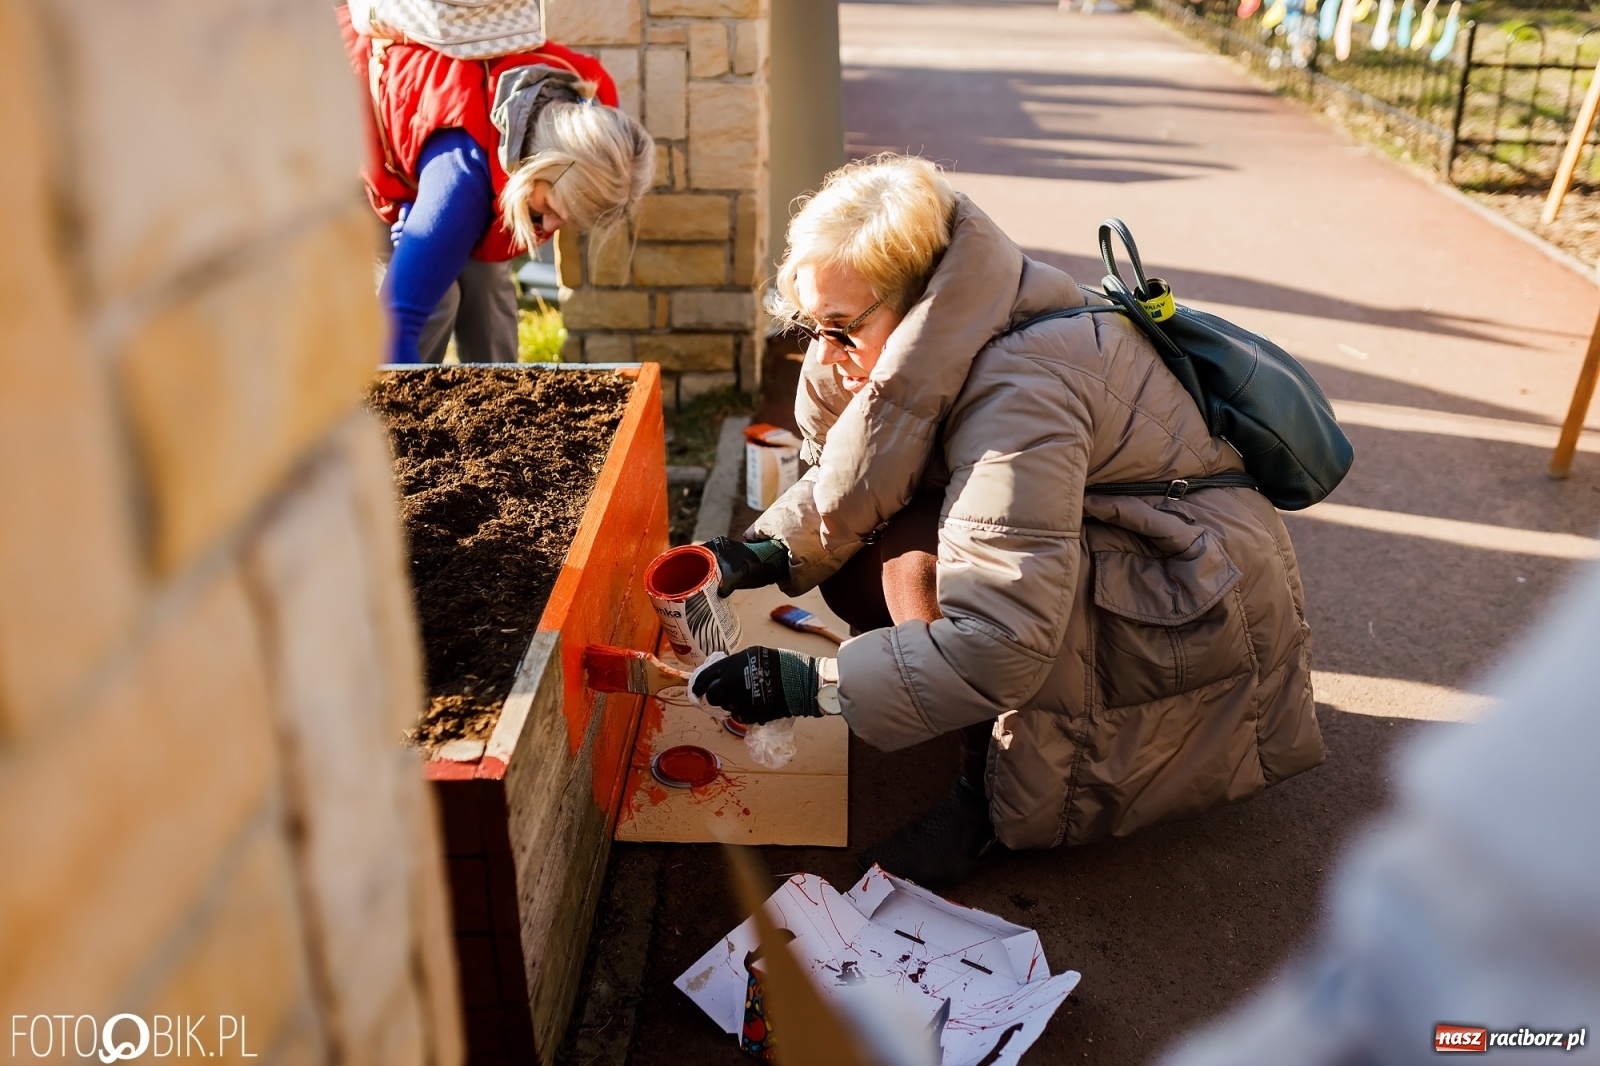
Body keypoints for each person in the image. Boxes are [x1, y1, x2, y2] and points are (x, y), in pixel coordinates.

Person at [694, 155, 1325, 887]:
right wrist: (761, 551)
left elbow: (1003, 644)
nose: (825, 355)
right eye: (811, 325)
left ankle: (989, 795)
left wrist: (806, 688)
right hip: (1123, 544)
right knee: (884, 555)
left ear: (916, 299)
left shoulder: (1022, 385)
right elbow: (869, 466)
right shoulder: (951, 323)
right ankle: (952, 707)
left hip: (1186, 593)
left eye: (840, 330)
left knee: (911, 556)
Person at [338, 9, 653, 364]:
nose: (546, 227)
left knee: (487, 287)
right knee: (437, 304)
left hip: (431, 136)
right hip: (340, 119)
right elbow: (396, 325)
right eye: (549, 207)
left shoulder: (589, 119)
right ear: (538, 164)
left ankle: (503, 397)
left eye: (563, 219)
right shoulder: (463, 179)